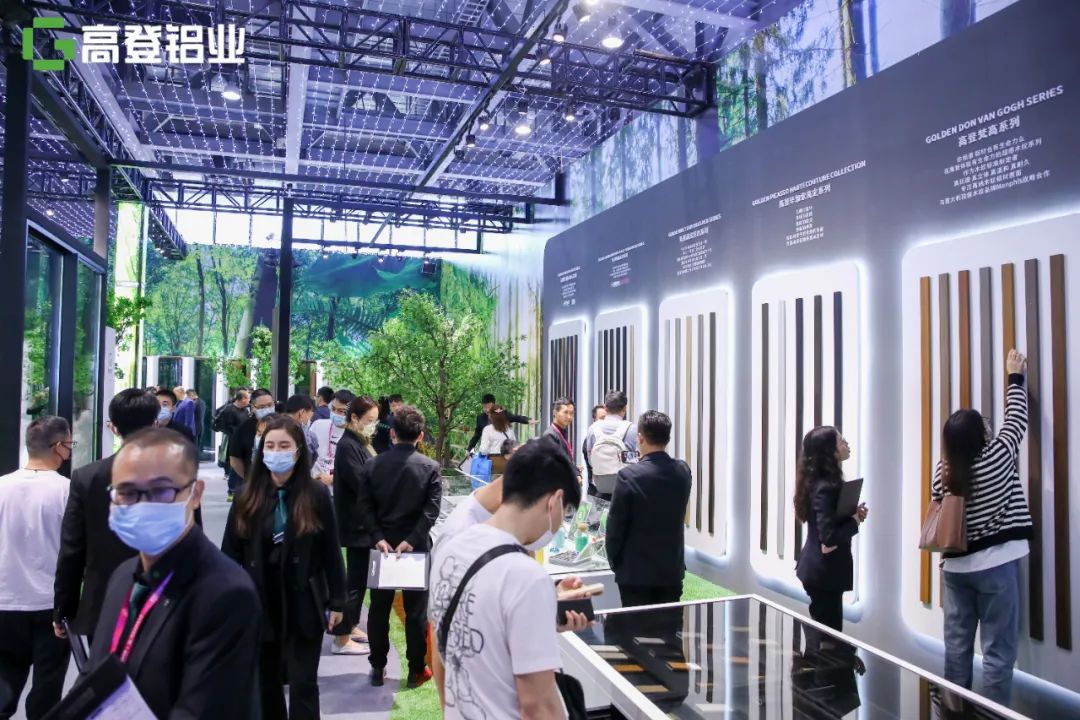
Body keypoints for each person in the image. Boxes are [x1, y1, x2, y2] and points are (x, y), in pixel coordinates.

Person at [86, 428, 260, 719]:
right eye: (127, 493)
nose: (142, 505)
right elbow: (95, 675)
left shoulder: (226, 593)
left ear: (195, 493)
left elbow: (202, 710)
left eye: (161, 492)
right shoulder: (123, 577)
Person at [430, 439, 587, 718]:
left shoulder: (451, 548)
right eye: (564, 514)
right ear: (554, 501)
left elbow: (450, 640)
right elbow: (538, 706)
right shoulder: (526, 576)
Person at [221, 415, 347, 720]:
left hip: (305, 599)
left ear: (298, 451)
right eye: (270, 446)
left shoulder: (316, 495)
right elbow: (229, 555)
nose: (276, 452)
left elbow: (331, 552)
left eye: (284, 446)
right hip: (260, 600)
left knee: (304, 683)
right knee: (266, 683)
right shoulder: (246, 497)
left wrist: (338, 601)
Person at [935, 349, 1032, 706]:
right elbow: (1016, 421)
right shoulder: (998, 456)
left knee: (956, 649)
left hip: (955, 570)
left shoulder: (942, 472)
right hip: (997, 566)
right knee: (998, 655)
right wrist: (1014, 377)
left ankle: (952, 711)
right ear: (981, 434)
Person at [54, 389, 162, 641]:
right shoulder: (178, 476)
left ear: (113, 427)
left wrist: (63, 609)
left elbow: (72, 549)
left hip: (103, 604)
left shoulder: (87, 477)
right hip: (163, 603)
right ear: (156, 425)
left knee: (107, 666)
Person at [357, 405, 442, 688]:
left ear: (392, 433)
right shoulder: (430, 468)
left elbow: (364, 506)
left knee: (379, 609)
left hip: (381, 546)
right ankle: (416, 669)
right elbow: (431, 511)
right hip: (415, 549)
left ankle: (377, 666)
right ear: (420, 435)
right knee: (416, 612)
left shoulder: (372, 465)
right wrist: (412, 539)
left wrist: (378, 536)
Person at [0, 417, 72, 720]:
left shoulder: (1, 486)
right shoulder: (67, 491)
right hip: (50, 605)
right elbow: (75, 550)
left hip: (4, 601)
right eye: (70, 444)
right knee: (47, 689)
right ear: (58, 447)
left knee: (4, 684)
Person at [606, 411, 692, 607]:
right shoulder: (683, 471)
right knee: (670, 623)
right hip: (671, 570)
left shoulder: (628, 476)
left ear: (640, 438)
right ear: (667, 438)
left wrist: (615, 562)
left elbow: (615, 528)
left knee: (635, 624)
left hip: (635, 574)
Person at [794, 426, 868, 633]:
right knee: (827, 639)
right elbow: (829, 536)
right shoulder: (826, 487)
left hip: (822, 573)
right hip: (823, 574)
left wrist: (851, 515)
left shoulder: (821, 482)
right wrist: (854, 521)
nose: (846, 444)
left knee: (825, 635)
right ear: (829, 451)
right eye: (841, 441)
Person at [329, 396, 381, 655]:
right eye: (369, 420)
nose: (373, 425)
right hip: (356, 523)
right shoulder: (348, 445)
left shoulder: (360, 441)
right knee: (355, 581)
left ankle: (350, 625)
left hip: (363, 522)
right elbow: (361, 482)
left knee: (359, 580)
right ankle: (341, 637)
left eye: (375, 420)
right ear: (354, 418)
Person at [586, 390, 638, 500]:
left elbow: (591, 460)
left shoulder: (593, 429)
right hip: (625, 490)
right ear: (625, 408)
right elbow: (635, 460)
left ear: (605, 407)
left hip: (600, 488)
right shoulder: (632, 429)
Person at [228, 388, 275, 501]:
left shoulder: (284, 425)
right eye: (262, 407)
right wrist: (249, 477)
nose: (267, 409)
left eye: (270, 405)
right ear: (253, 407)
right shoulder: (244, 428)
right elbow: (234, 459)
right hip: (253, 487)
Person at [308, 389, 355, 486]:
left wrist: (334, 478)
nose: (335, 413)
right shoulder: (318, 425)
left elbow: (356, 470)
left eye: (341, 411)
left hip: (338, 490)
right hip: (313, 486)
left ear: (352, 414)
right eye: (333, 409)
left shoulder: (355, 435)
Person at [466, 393, 535, 453]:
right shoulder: (480, 418)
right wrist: (469, 449)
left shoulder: (502, 415)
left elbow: (516, 417)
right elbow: (476, 436)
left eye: (489, 407)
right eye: (484, 407)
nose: (487, 410)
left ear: (494, 405)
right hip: (490, 454)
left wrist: (528, 420)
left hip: (505, 452)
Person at [213, 390, 251, 481]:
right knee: (231, 457)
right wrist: (235, 432)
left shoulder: (245, 410)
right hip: (232, 439)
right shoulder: (229, 410)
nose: (249, 401)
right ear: (242, 399)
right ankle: (228, 473)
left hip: (243, 439)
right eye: (248, 398)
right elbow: (224, 426)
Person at [478, 406, 517, 476]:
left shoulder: (487, 429)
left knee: (493, 481)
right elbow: (514, 446)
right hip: (507, 462)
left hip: (493, 462)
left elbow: (484, 450)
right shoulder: (509, 428)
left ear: (491, 416)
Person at [285, 394, 319, 460]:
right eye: (310, 414)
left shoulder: (274, 427)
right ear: (302, 412)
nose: (310, 419)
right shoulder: (308, 437)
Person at [542, 397, 576, 464]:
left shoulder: (561, 432)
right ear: (555, 412)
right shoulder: (550, 435)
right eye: (565, 412)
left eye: (571, 413)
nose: (569, 417)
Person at [583, 404, 606, 495]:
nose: (604, 422)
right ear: (594, 420)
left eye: (607, 419)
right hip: (596, 491)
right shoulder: (589, 440)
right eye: (602, 418)